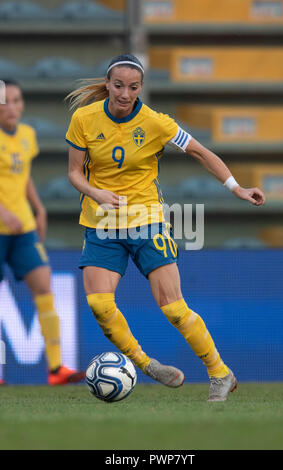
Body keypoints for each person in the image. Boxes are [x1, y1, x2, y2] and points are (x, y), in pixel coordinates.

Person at [65, 54, 266, 402]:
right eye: (118, 86)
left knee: (173, 306)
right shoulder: (84, 118)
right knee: (99, 304)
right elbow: (73, 173)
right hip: (102, 222)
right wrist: (95, 192)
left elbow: (201, 152)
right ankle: (145, 365)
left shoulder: (157, 123)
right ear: (108, 84)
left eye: (133, 87)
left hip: (147, 220)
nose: (125, 94)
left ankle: (219, 372)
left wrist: (237, 187)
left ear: (141, 87)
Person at [0, 80, 85, 386]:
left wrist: (39, 208)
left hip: (22, 228)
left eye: (17, 100)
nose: (12, 106)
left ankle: (55, 368)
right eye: (5, 101)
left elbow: (21, 177)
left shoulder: (27, 136)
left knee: (44, 285)